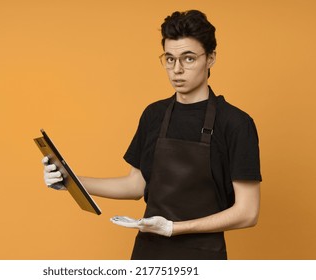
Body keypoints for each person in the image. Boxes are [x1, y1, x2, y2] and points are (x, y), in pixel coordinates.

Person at [42, 10, 261, 260]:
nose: (177, 69)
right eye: (170, 59)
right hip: (148, 254)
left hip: (203, 257)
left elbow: (247, 212)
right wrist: (70, 180)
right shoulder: (154, 115)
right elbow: (136, 185)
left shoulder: (235, 123)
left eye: (188, 59)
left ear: (210, 58)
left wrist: (172, 228)